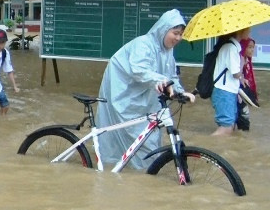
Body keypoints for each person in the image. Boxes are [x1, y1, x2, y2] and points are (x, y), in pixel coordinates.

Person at [96, 9, 195, 169]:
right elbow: (139, 70)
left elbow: (171, 75)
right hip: (123, 91)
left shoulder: (167, 51)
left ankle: (142, 174)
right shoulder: (143, 44)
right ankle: (129, 173)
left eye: (180, 34)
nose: (178, 38)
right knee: (130, 133)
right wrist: (161, 80)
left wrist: (179, 91)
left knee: (152, 132)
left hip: (146, 93)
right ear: (164, 29)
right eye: (175, 33)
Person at [211, 28, 251, 136]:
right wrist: (242, 76)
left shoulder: (232, 47)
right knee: (226, 128)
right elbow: (235, 73)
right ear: (240, 31)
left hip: (226, 92)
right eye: (248, 29)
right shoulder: (231, 48)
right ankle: (204, 147)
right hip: (224, 92)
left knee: (229, 127)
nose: (250, 31)